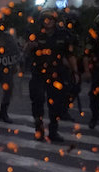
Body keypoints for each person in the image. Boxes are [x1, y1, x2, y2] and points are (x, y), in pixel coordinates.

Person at [24, 9, 79, 142]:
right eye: (45, 19)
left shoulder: (63, 34)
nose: (48, 22)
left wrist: (75, 72)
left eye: (51, 19)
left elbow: (70, 55)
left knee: (56, 103)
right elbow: (26, 51)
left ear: (55, 21)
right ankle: (39, 128)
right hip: (38, 73)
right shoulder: (36, 34)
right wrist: (29, 47)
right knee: (37, 101)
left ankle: (53, 131)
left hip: (57, 74)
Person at [0, 12, 21, 123]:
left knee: (8, 90)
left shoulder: (8, 37)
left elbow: (15, 51)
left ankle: (3, 112)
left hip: (6, 67)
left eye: (1, 21)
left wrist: (16, 64)